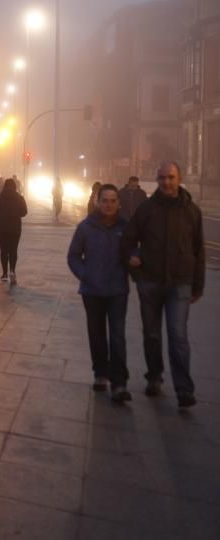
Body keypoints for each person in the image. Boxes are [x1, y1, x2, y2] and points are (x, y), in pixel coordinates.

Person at [121, 161, 205, 408]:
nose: (167, 182)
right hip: (150, 282)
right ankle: (154, 376)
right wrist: (134, 263)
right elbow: (127, 241)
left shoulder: (192, 211)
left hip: (180, 284)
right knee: (152, 335)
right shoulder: (147, 209)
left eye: (171, 177)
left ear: (179, 179)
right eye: (162, 178)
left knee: (178, 336)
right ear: (157, 181)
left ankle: (184, 389)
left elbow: (198, 250)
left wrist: (197, 285)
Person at [67, 183, 131, 402]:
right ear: (97, 201)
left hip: (117, 290)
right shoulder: (85, 227)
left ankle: (119, 382)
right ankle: (100, 373)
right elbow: (73, 256)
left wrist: (136, 258)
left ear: (118, 203)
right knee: (96, 334)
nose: (109, 205)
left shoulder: (126, 227)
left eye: (113, 201)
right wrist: (86, 274)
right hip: (92, 290)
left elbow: (137, 247)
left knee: (117, 335)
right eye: (105, 200)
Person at [0, 178, 28, 285]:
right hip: (14, 227)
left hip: (1, 227)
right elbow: (24, 212)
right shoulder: (19, 197)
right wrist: (16, 214)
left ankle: (4, 273)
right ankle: (12, 271)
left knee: (4, 250)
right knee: (13, 250)